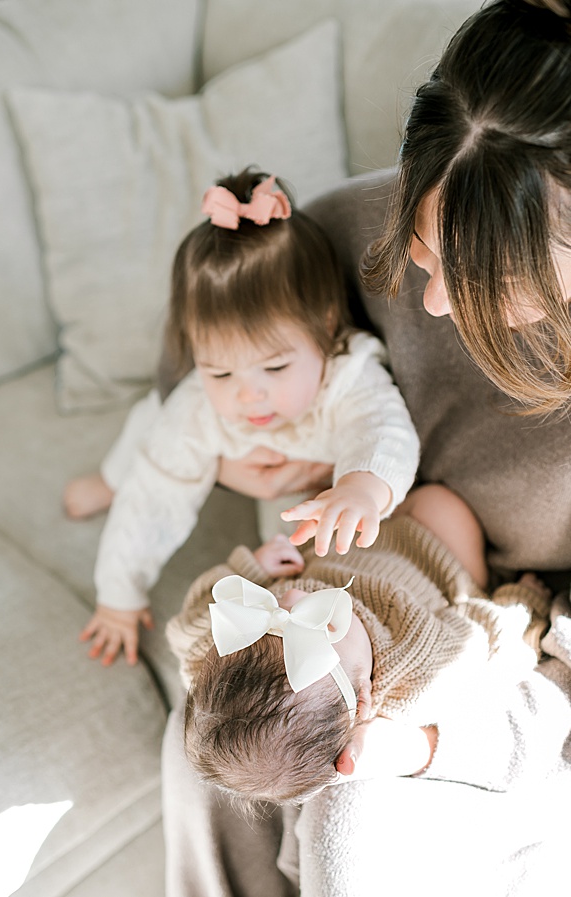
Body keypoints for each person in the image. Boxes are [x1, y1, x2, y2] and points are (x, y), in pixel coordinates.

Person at [162, 4, 571, 893]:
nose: (432, 306)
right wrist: (255, 459)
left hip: (504, 644)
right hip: (359, 566)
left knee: (352, 805)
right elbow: (202, 366)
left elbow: (545, 678)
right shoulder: (348, 228)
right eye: (424, 252)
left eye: (492, 280)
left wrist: (418, 744)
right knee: (206, 728)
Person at [74, 169, 420, 667]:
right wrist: (118, 596)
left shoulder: (349, 376)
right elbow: (152, 503)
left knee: (293, 546)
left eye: (276, 366)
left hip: (302, 477)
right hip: (200, 445)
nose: (248, 396)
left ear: (324, 327)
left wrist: (362, 488)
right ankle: (109, 478)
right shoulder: (198, 404)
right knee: (151, 434)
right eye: (219, 371)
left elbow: (384, 431)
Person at [173, 485, 551, 805]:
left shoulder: (216, 651)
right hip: (429, 551)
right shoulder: (414, 669)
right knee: (439, 502)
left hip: (341, 534)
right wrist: (522, 601)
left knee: (318, 495)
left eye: (271, 611)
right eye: (314, 624)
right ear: (365, 697)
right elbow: (489, 644)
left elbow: (187, 623)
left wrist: (253, 566)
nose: (289, 597)